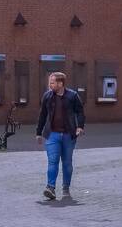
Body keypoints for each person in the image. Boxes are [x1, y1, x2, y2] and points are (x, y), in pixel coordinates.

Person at [36, 72, 85, 200]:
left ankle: (65, 188)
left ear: (60, 83)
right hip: (52, 134)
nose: (49, 85)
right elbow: (42, 115)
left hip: (69, 135)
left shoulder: (72, 96)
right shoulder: (47, 96)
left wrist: (80, 127)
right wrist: (38, 133)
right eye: (50, 82)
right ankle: (50, 187)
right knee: (53, 161)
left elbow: (80, 112)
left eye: (52, 83)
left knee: (67, 163)